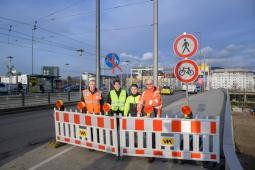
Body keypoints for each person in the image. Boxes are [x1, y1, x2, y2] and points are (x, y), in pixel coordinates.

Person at [137, 79, 162, 163]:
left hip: (154, 114)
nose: (149, 85)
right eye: (147, 84)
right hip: (146, 113)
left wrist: (147, 103)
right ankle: (148, 150)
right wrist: (139, 111)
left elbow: (156, 102)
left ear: (153, 84)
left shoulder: (156, 91)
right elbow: (140, 102)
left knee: (152, 134)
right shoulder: (144, 92)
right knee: (146, 133)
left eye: (150, 84)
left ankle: (152, 154)